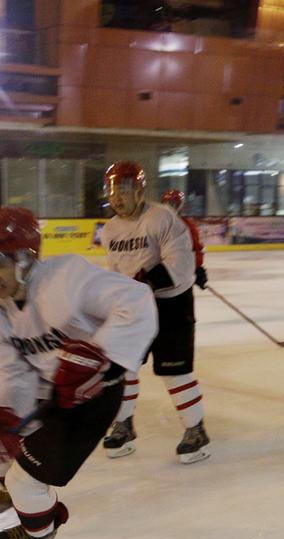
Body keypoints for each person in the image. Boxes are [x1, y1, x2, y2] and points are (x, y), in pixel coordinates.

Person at [0, 207, 156, 539]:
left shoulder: (67, 279)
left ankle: (40, 528)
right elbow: (15, 372)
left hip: (94, 397)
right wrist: (7, 414)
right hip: (49, 390)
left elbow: (137, 300)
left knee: (22, 478)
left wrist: (105, 360)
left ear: (25, 259)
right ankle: (28, 498)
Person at [97, 163, 211, 464]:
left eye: (124, 190)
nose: (117, 198)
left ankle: (196, 431)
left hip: (171, 304)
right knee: (123, 368)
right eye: (113, 191)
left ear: (139, 190)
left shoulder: (162, 218)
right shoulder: (110, 230)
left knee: (175, 373)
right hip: (134, 307)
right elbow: (116, 270)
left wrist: (145, 281)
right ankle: (124, 426)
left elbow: (181, 264)